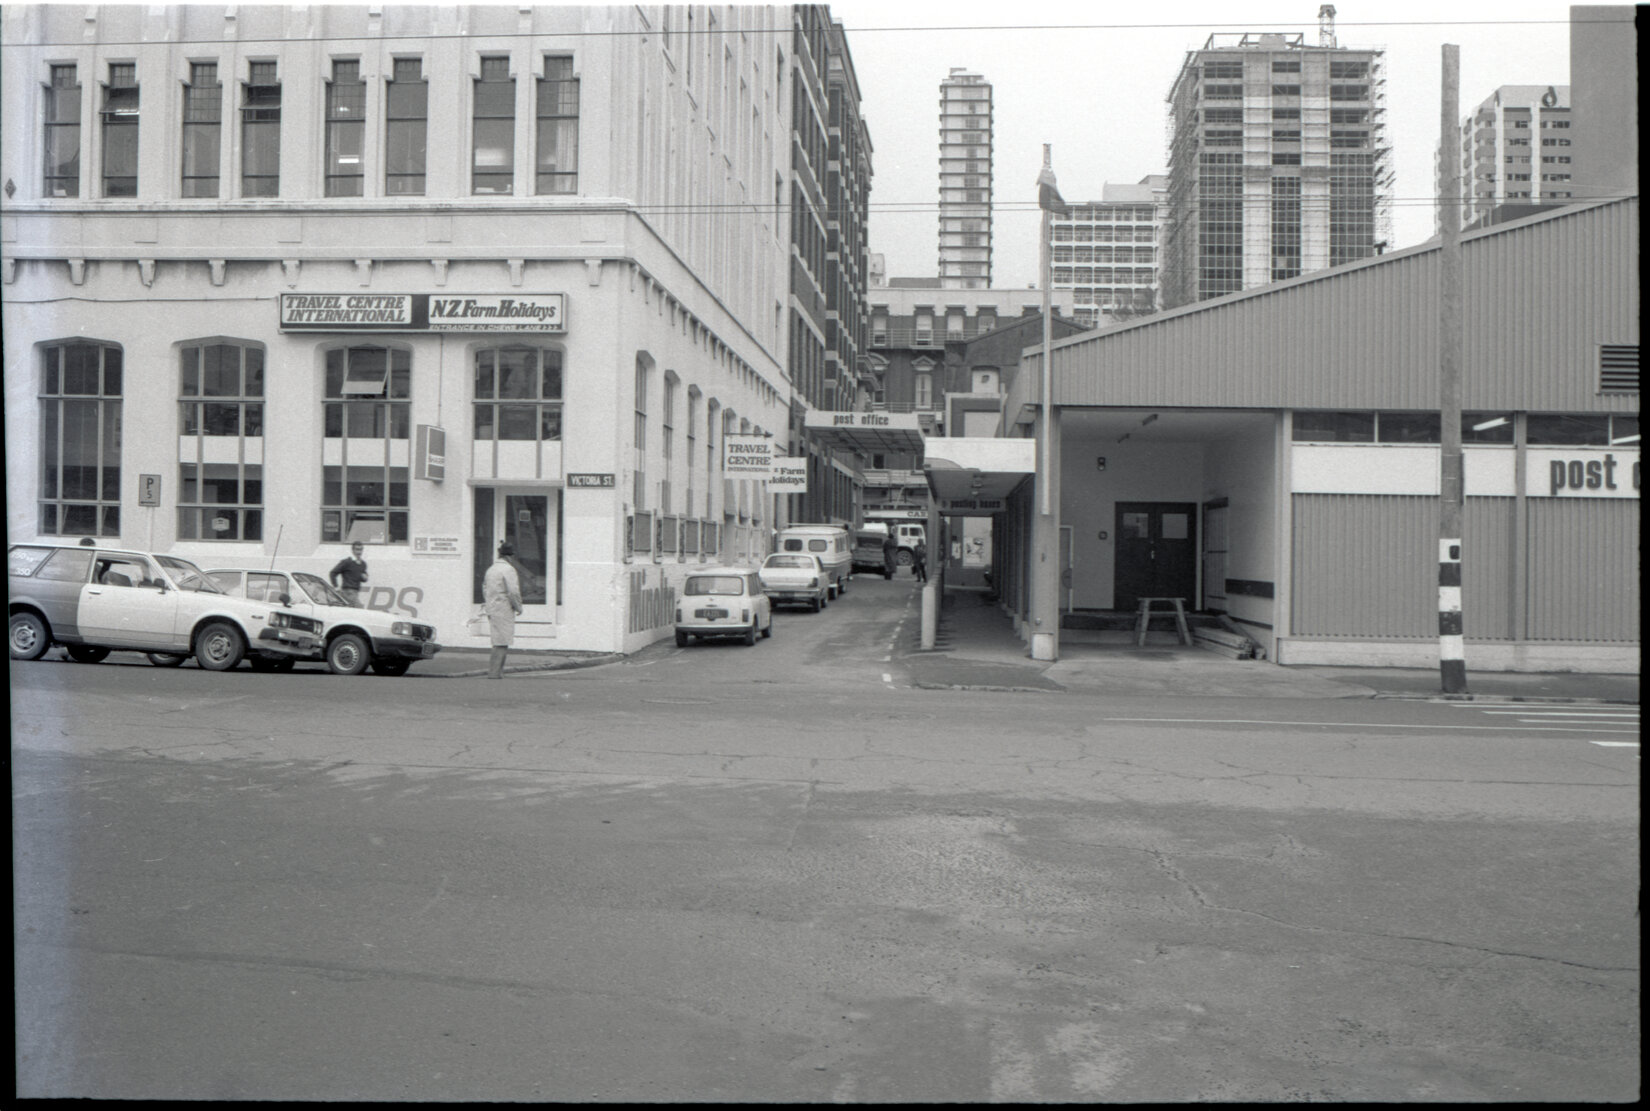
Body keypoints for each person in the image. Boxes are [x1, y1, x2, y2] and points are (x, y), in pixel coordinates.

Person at [482, 541, 524, 679]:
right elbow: (513, 591)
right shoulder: (508, 570)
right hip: (504, 607)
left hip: (492, 607)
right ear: (510, 556)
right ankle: (495, 672)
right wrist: (518, 606)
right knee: (502, 642)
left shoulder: (491, 569)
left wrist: (489, 604)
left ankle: (497, 672)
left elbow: (484, 588)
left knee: (498, 639)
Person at [330, 542, 369, 606]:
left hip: (356, 591)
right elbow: (333, 573)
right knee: (359, 609)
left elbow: (363, 577)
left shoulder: (363, 564)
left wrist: (365, 578)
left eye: (361, 549)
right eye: (357, 549)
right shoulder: (347, 562)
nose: (359, 552)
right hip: (347, 591)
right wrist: (336, 586)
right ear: (353, 550)